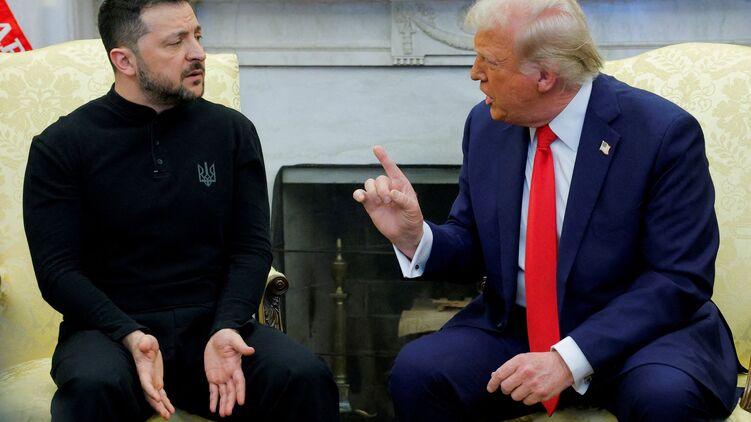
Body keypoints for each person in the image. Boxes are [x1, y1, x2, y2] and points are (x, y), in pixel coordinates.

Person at [353, 0, 741, 420]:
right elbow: (472, 243)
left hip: (640, 337)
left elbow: (677, 279)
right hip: (518, 328)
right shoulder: (487, 126)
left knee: (665, 397)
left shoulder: (661, 134)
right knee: (419, 373)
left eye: (490, 61)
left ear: (544, 76)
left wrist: (567, 359)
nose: (475, 72)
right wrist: (414, 236)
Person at [22, 1, 339, 421]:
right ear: (124, 60)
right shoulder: (61, 146)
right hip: (110, 334)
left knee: (304, 376)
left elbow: (251, 248)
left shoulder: (231, 132)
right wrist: (129, 334)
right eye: (176, 42)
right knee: (91, 387)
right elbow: (57, 271)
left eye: (197, 36)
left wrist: (227, 325)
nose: (198, 53)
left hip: (212, 327)